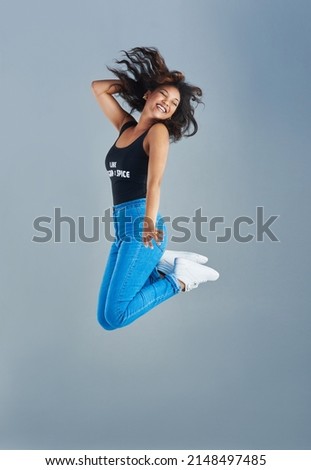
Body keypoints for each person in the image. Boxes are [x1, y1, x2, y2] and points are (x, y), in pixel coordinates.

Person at [91, 47, 219, 330]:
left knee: (115, 317)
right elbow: (99, 89)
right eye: (164, 94)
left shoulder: (157, 132)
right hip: (123, 230)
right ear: (149, 94)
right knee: (104, 318)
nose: (168, 103)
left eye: (174, 103)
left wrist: (149, 221)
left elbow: (155, 182)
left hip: (142, 226)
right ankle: (162, 263)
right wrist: (141, 84)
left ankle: (179, 279)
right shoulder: (127, 127)